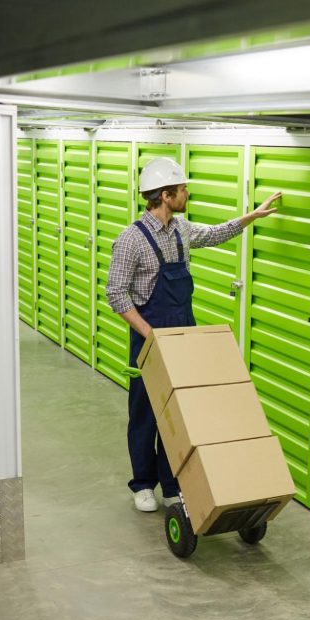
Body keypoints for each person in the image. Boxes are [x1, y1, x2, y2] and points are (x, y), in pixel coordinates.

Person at [106, 157, 282, 512]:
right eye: (183, 188)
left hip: (185, 335)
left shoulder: (181, 230)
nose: (188, 193)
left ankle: (172, 484)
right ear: (166, 195)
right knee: (146, 413)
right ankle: (142, 484)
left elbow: (215, 233)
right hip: (150, 339)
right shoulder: (130, 240)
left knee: (181, 414)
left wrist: (253, 216)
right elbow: (116, 294)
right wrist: (150, 335)